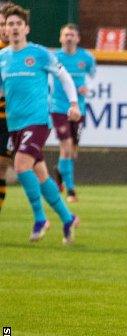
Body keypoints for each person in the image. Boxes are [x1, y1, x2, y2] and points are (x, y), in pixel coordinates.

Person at [0, 4, 80, 243]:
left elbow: (64, 76)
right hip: (15, 124)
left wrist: (73, 103)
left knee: (21, 165)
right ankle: (67, 218)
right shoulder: (2, 58)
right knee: (41, 174)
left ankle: (40, 218)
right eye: (9, 24)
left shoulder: (39, 54)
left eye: (18, 24)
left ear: (27, 29)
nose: (13, 28)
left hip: (37, 121)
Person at [50, 23, 96, 203]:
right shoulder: (54, 58)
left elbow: (94, 77)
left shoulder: (86, 57)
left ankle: (59, 174)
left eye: (72, 35)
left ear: (78, 38)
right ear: (60, 38)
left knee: (72, 152)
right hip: (59, 107)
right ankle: (71, 191)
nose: (69, 38)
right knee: (66, 147)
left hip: (79, 109)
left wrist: (88, 88)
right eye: (65, 35)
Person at [0, 2, 13, 214]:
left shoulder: (24, 51)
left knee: (2, 167)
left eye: (8, 24)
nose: (4, 28)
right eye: (1, 24)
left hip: (9, 117)